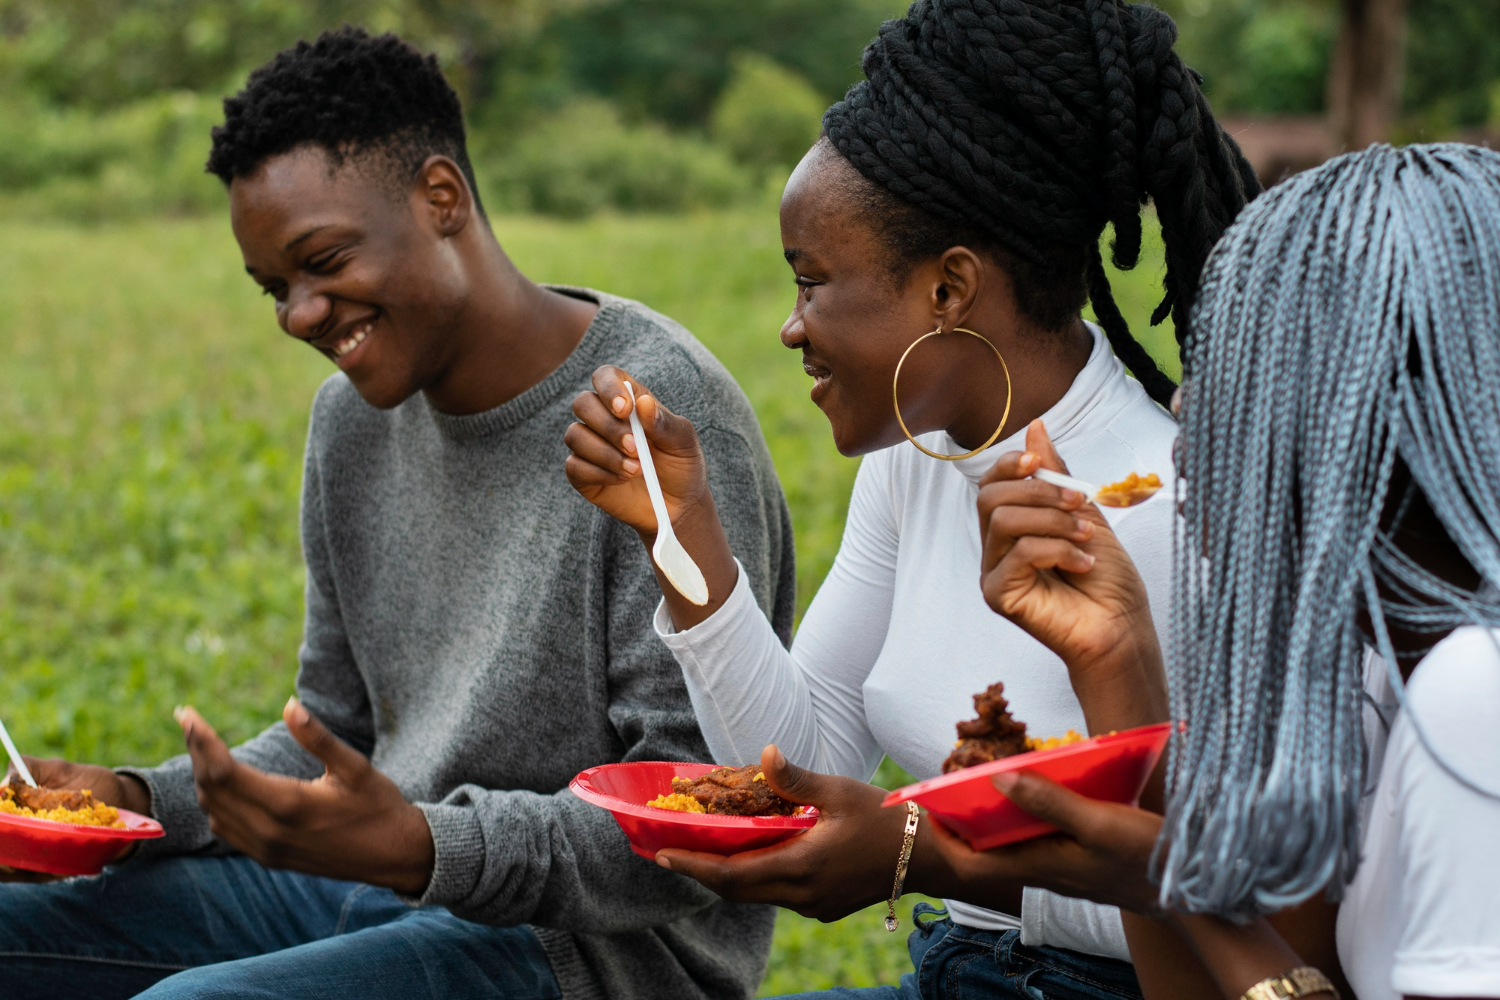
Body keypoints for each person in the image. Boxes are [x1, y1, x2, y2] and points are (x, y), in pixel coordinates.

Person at [0, 27, 795, 1000]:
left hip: (591, 952)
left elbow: (691, 815)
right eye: (273, 289)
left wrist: (424, 845)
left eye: (321, 259)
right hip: (383, 875)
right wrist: (133, 799)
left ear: (442, 197)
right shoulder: (351, 424)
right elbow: (335, 726)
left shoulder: (656, 411)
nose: (297, 314)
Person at [562, 1, 1257, 996]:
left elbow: (1231, 900)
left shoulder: (1173, 499)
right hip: (955, 967)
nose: (792, 328)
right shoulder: (915, 459)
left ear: (949, 289)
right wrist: (687, 535)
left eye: (813, 282)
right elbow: (799, 759)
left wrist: (922, 849)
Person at [935, 142, 1500, 1000]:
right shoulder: (1388, 669)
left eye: (1237, 368)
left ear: (1363, 414)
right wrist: (1113, 658)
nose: (1183, 403)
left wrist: (1181, 888)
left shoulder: (1476, 692)